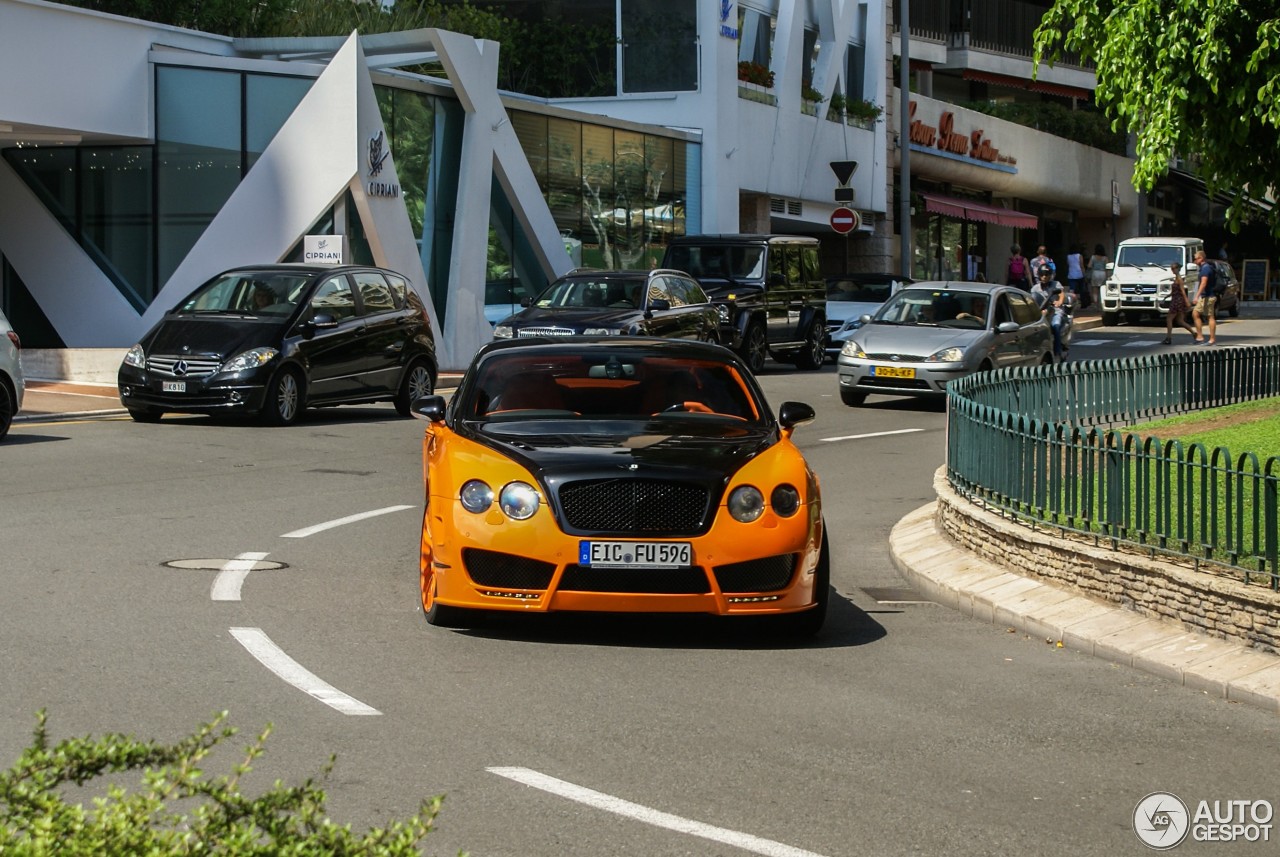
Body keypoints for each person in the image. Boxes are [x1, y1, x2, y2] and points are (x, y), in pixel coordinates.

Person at [1163, 261, 1195, 344]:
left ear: (1178, 269)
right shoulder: (1176, 278)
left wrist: (1187, 301)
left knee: (1169, 319)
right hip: (1176, 299)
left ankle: (1168, 338)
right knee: (1180, 321)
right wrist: (1167, 296)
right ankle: (1194, 333)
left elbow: (1182, 291)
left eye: (1174, 268)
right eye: (1171, 269)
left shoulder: (1179, 279)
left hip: (1177, 301)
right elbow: (1175, 291)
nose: (1172, 270)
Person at [1191, 249, 1218, 345]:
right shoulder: (1204, 268)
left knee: (1210, 317)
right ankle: (1200, 337)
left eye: (1195, 259)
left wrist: (1196, 296)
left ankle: (1212, 339)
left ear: (1201, 258)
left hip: (1208, 296)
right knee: (1195, 313)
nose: (1194, 261)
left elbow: (1203, 283)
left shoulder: (1206, 268)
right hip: (1205, 296)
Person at [1065, 244, 1089, 309]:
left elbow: (1068, 264)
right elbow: (1081, 265)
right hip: (1079, 274)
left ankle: (1070, 303)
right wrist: (1084, 274)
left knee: (1072, 290)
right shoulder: (1079, 255)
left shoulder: (1068, 256)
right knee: (1082, 290)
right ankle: (1083, 304)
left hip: (1071, 275)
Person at [1088, 244, 1108, 308]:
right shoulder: (1105, 258)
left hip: (1095, 273)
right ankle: (1101, 303)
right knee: (1102, 289)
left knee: (1095, 289)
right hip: (1103, 273)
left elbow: (1089, 265)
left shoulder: (1093, 257)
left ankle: (1095, 304)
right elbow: (1107, 267)